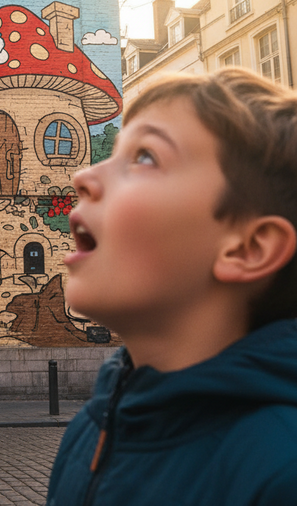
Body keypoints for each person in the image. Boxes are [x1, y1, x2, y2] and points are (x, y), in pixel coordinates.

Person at [46, 68, 297, 506]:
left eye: (144, 156)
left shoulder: (281, 471)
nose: (83, 176)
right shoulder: (91, 431)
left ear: (248, 248)